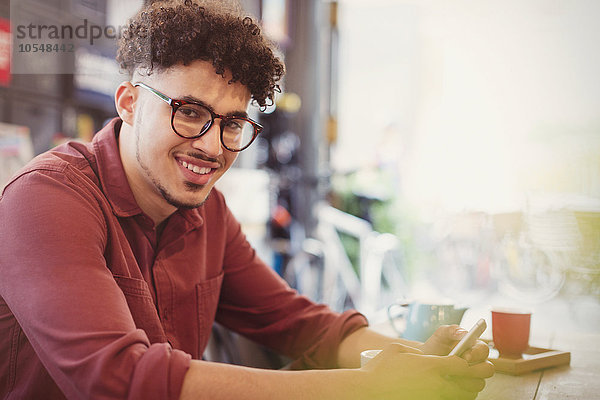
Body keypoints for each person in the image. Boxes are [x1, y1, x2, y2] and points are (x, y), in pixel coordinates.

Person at [0, 1, 494, 399]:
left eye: (232, 124)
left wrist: (417, 359)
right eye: (190, 112)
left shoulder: (205, 210)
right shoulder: (46, 199)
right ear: (129, 103)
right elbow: (119, 381)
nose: (213, 148)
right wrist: (367, 386)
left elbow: (300, 324)